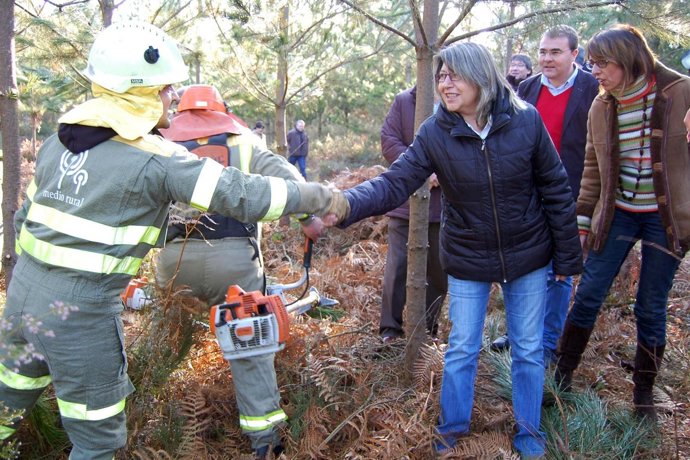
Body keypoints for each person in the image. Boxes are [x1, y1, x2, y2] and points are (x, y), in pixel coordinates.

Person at [0, 21, 345, 459]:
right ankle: (263, 437)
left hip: (25, 297)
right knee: (97, 441)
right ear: (139, 91)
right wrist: (328, 197)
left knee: (6, 410)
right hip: (82, 317)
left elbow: (23, 220)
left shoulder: (56, 143)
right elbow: (247, 194)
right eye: (164, 89)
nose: (170, 98)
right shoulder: (157, 159)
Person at [325, 42, 581, 458]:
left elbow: (555, 188)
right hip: (467, 254)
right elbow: (395, 181)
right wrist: (345, 204)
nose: (444, 82)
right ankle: (451, 431)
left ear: (480, 75)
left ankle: (529, 435)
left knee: (529, 349)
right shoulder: (435, 131)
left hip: (529, 252)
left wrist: (567, 261)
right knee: (462, 346)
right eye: (440, 75)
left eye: (453, 75)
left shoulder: (525, 121)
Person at [156, 84, 323, 459]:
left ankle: (155, 423)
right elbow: (289, 180)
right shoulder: (241, 139)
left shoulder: (159, 138)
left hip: (173, 260)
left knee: (167, 341)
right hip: (233, 260)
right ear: (222, 109)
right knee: (249, 346)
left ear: (179, 110)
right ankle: (264, 442)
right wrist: (307, 218)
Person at [555, 24, 690, 422]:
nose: (593, 70)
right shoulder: (602, 106)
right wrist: (582, 220)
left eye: (602, 63)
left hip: (666, 222)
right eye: (591, 63)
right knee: (589, 293)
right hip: (617, 216)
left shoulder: (680, 93)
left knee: (651, 306)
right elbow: (592, 171)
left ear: (628, 59)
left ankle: (643, 395)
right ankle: (561, 378)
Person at [491, 25, 599, 364]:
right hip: (525, 192)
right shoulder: (527, 87)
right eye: (542, 52)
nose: (546, 58)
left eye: (555, 52)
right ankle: (519, 332)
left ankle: (549, 343)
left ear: (574, 55)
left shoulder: (592, 89)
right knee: (520, 263)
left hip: (570, 192)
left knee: (559, 270)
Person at [378, 85, 447, 342]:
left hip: (444, 206)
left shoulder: (462, 101)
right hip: (405, 202)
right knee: (397, 268)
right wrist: (420, 171)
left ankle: (427, 330)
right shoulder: (404, 101)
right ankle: (390, 331)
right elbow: (389, 141)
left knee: (439, 270)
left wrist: (445, 170)